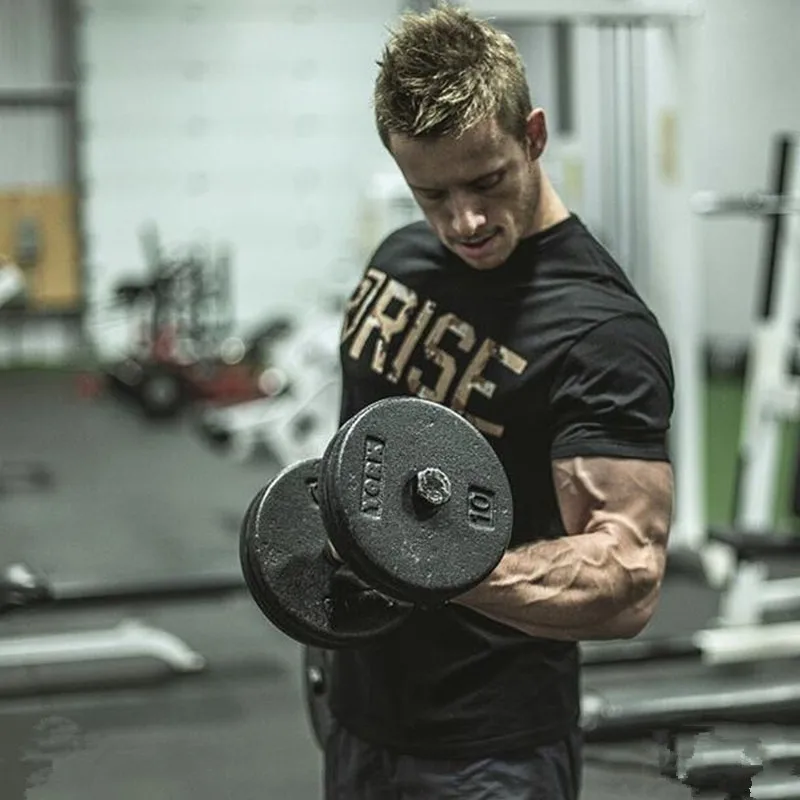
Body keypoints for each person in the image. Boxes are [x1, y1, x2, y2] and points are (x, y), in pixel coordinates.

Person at [325, 4, 675, 799]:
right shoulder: (400, 258)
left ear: (533, 136)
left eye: (488, 181)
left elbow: (629, 574)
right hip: (358, 709)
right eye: (432, 193)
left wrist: (427, 566)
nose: (466, 221)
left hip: (491, 745)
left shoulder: (600, 331)